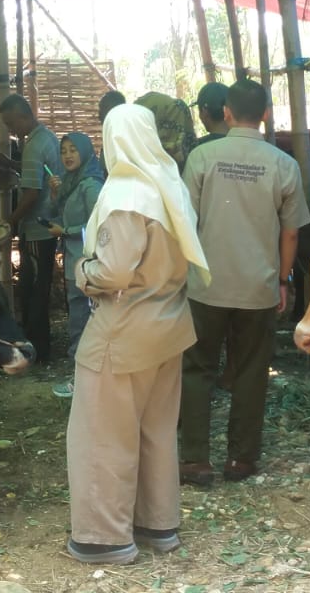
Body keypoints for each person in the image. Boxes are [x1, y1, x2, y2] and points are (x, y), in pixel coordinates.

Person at [66, 103, 211, 565]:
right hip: (168, 326)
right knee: (156, 431)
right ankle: (157, 523)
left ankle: (103, 537)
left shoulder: (126, 192)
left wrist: (80, 270)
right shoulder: (166, 184)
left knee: (102, 435)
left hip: (122, 331)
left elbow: (112, 272)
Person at [177, 78, 309, 486]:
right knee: (252, 371)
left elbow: (185, 222)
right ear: (266, 114)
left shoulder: (202, 158)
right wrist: (284, 281)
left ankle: (195, 459)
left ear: (227, 113)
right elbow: (290, 233)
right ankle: (241, 460)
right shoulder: (283, 165)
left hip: (206, 286)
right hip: (258, 287)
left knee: (197, 368)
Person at [0, 94, 64, 362]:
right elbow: (35, 172)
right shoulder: (44, 137)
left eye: (11, 123)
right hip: (47, 224)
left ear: (24, 116)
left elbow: (32, 193)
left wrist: (11, 220)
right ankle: (39, 344)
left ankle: (38, 349)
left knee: (33, 290)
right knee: (37, 287)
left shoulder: (34, 145)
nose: (10, 129)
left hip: (38, 228)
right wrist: (12, 164)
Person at [47, 131, 106, 398]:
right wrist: (54, 193)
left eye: (73, 150)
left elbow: (100, 225)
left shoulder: (90, 184)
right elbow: (57, 212)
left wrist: (65, 230)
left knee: (82, 320)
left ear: (84, 151)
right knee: (79, 319)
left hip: (87, 263)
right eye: (64, 151)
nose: (68, 155)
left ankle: (82, 381)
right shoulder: (72, 181)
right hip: (76, 262)